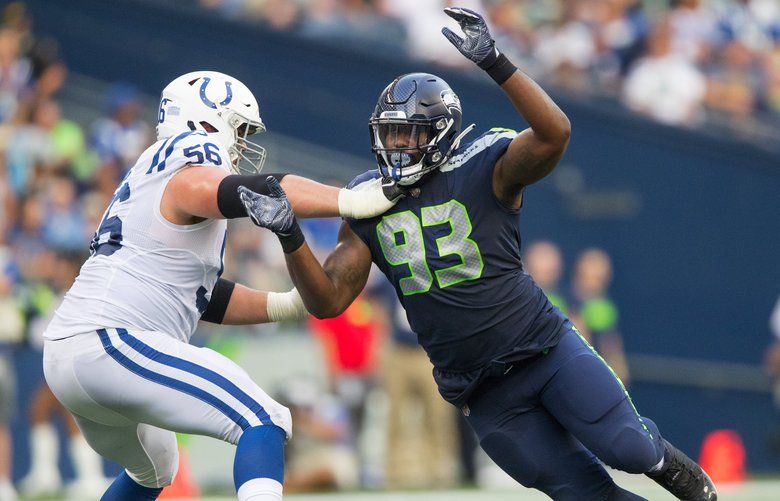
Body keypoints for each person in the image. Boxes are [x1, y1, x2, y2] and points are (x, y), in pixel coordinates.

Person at [241, 8, 718, 501]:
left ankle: (677, 472)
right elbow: (329, 301)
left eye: (411, 133)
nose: (398, 145)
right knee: (585, 494)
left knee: (630, 450)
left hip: (546, 351)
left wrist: (497, 63)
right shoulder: (366, 199)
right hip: (481, 391)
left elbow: (555, 133)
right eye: (391, 133)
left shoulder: (484, 165)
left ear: (443, 132)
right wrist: (290, 237)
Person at [41, 70, 404, 501]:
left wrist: (288, 305)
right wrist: (350, 200)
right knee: (263, 419)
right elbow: (227, 191)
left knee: (155, 469)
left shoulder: (150, 178)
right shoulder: (184, 154)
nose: (244, 144)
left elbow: (200, 297)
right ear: (207, 121)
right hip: (109, 340)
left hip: (76, 352)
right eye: (241, 129)